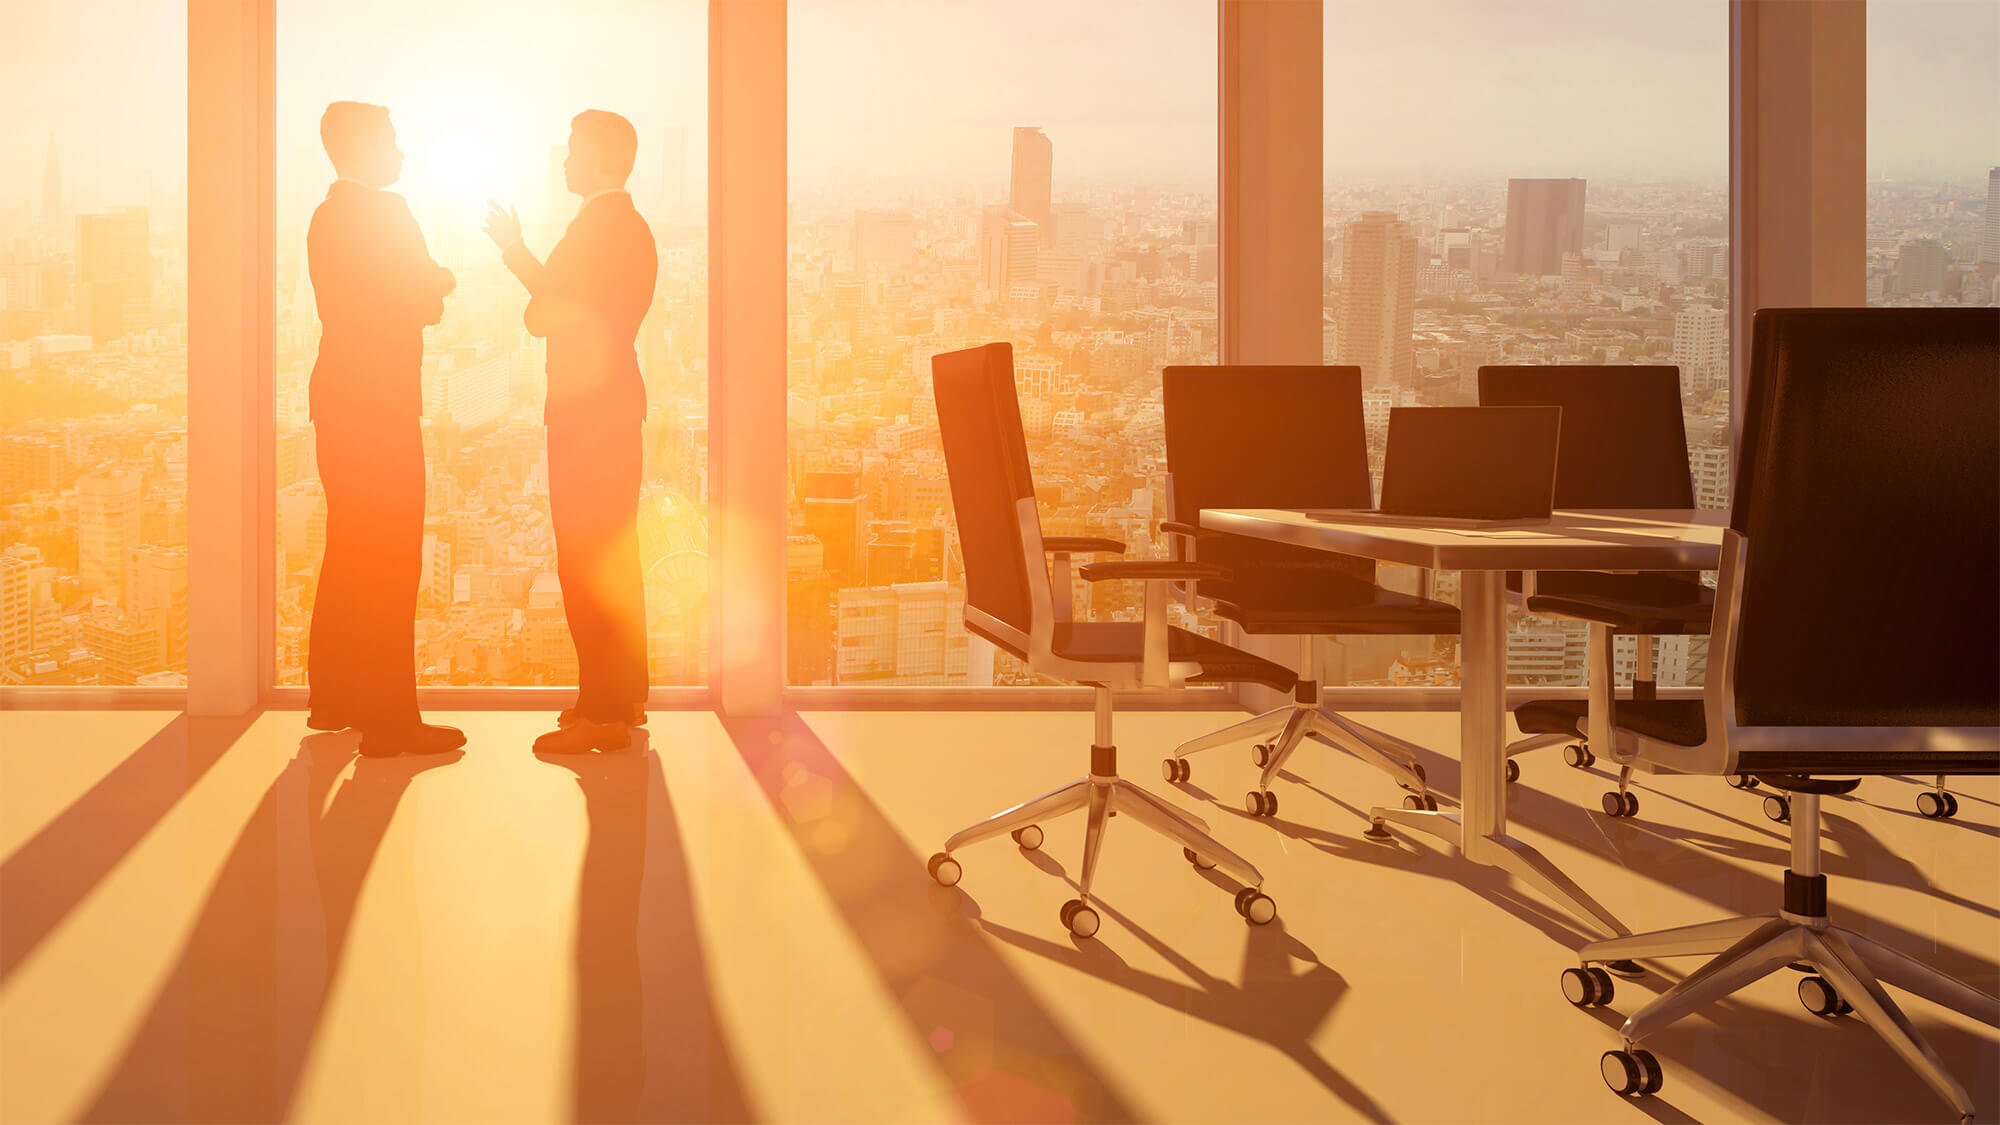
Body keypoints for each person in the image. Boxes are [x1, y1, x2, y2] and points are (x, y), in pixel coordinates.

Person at [485, 111, 656, 754]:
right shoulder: (625, 227)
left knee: (586, 560)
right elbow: (559, 302)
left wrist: (520, 261)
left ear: (603, 157)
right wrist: (522, 259)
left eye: (575, 149)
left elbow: (545, 312)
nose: (564, 160)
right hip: (611, 407)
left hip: (590, 414)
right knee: (609, 557)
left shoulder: (598, 230)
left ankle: (604, 715)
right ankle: (613, 698)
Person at [305, 101, 464, 758]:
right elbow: (423, 298)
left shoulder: (323, 218)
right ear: (366, 145)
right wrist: (442, 278)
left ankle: (335, 697)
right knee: (392, 559)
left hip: (338, 401)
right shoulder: (388, 215)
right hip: (383, 408)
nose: (400, 152)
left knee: (348, 547)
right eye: (392, 140)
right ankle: (391, 720)